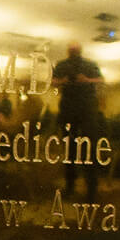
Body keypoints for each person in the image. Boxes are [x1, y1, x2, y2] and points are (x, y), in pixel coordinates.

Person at [51, 43, 105, 200]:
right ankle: (70, 186)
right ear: (68, 51)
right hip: (68, 109)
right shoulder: (61, 65)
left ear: (80, 50)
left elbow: (101, 80)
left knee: (89, 149)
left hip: (87, 110)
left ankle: (91, 189)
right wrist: (63, 81)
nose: (73, 52)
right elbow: (52, 82)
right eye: (71, 49)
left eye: (75, 49)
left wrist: (86, 80)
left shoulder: (90, 64)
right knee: (69, 149)